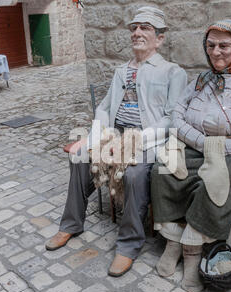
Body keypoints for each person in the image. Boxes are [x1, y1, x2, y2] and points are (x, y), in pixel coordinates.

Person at [45, 6, 187, 277]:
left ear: (160, 38)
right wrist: (95, 137)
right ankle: (71, 224)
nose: (137, 32)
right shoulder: (121, 71)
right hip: (115, 135)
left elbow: (172, 120)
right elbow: (104, 108)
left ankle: (129, 244)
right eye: (134, 28)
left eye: (145, 28)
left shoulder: (173, 72)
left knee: (134, 174)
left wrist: (134, 141)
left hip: (148, 141)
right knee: (79, 157)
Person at [150, 20, 231, 292]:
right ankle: (172, 242)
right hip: (195, 147)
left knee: (213, 185)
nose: (216, 52)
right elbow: (176, 116)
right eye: (211, 45)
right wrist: (204, 143)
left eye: (224, 45)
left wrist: (221, 148)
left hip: (230, 156)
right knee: (163, 169)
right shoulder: (199, 82)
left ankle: (192, 252)